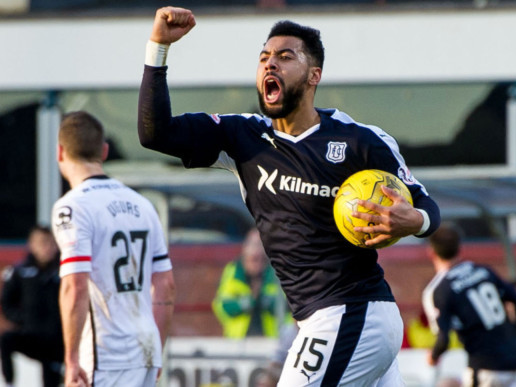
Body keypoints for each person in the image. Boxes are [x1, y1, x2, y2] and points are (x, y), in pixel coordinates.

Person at [138, 7, 441, 385]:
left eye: (285, 57)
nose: (270, 65)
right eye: (264, 57)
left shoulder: (359, 140)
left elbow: (426, 206)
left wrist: (417, 220)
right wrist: (158, 48)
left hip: (352, 314)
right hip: (324, 321)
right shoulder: (243, 139)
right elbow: (155, 134)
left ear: (314, 76)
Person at [52, 111, 176, 387]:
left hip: (107, 354)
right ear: (104, 151)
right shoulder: (143, 205)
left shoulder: (72, 207)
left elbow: (75, 286)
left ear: (60, 152)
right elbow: (166, 285)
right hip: (146, 347)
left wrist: (71, 359)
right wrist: (155, 347)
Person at [422, 224, 516, 386]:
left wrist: (434, 356)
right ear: (460, 247)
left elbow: (443, 339)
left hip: (486, 368)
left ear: (431, 253)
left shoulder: (438, 290)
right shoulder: (483, 271)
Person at [0, 226, 64, 387]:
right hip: (31, 334)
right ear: (32, 245)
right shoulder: (20, 271)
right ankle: (9, 383)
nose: (47, 248)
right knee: (6, 340)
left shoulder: (64, 270)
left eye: (51, 243)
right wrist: (22, 319)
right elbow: (7, 301)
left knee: (51, 377)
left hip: (58, 338)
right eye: (42, 243)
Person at [212, 228, 286, 338]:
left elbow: (287, 306)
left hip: (272, 342)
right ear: (244, 249)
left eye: (261, 245)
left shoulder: (275, 273)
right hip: (238, 343)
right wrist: (246, 303)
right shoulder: (233, 272)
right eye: (253, 245)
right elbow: (222, 307)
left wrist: (266, 301)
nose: (257, 251)